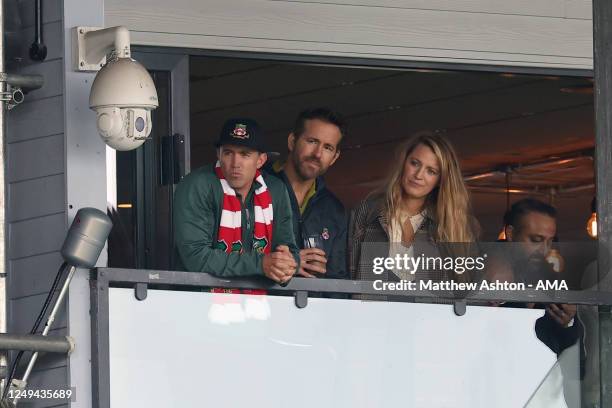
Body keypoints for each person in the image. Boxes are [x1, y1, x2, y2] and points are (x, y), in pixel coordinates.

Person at [173, 118, 299, 284]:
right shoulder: (198, 185)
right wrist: (260, 264)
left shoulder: (275, 190)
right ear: (218, 154)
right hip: (201, 300)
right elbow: (196, 257)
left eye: (245, 154)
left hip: (261, 303)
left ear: (260, 160)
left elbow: (291, 251)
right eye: (228, 153)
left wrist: (287, 264)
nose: (235, 163)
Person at [349, 131, 477, 283]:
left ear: (440, 180)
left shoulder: (451, 225)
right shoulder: (368, 211)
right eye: (415, 163)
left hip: (428, 307)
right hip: (372, 306)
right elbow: (348, 276)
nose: (418, 175)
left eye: (431, 171)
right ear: (404, 163)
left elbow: (467, 290)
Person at [487, 198, 583, 354]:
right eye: (536, 240)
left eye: (550, 241)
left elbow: (566, 351)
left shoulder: (551, 279)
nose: (544, 249)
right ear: (510, 233)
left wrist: (568, 322)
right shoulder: (489, 268)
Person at [267, 108, 348, 279]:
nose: (317, 154)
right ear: (292, 141)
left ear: (334, 157)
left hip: (313, 305)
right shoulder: (256, 187)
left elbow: (337, 281)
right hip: (260, 303)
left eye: (327, 147)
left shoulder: (334, 209)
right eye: (312, 141)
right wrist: (289, 262)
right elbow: (233, 253)